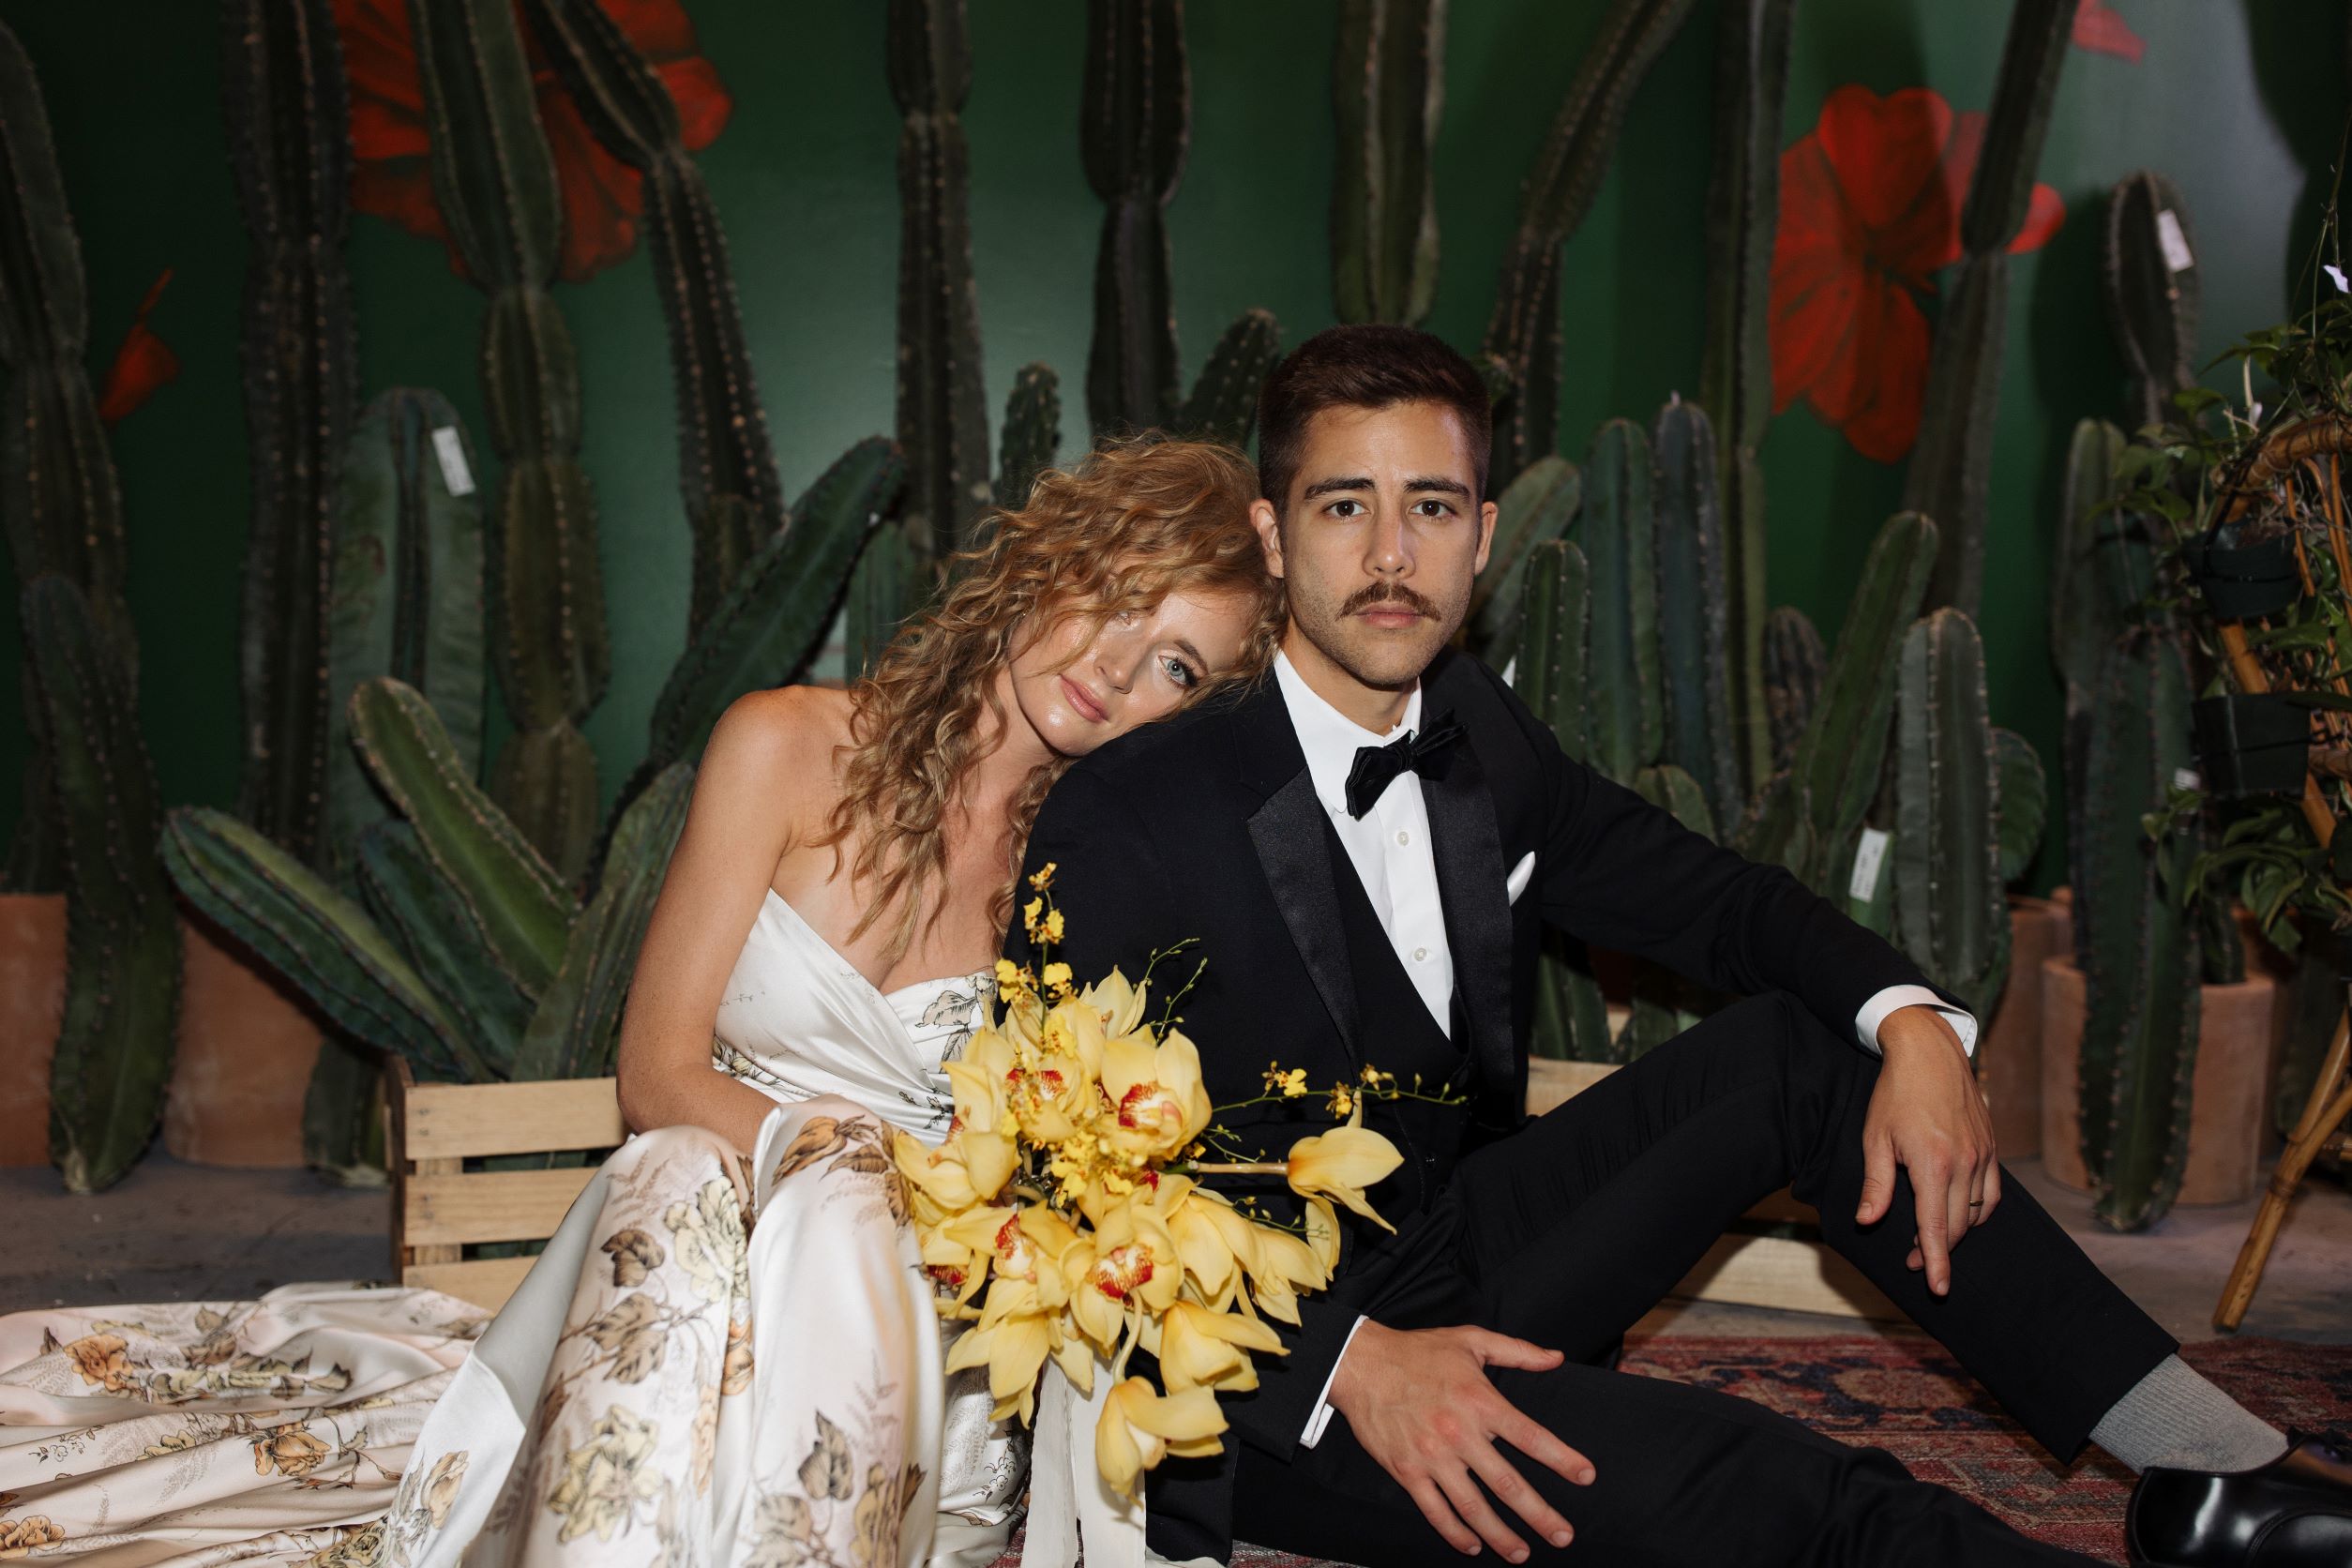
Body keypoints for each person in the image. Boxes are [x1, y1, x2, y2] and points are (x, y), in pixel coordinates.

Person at [1011, 324, 2352, 1568]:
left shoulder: (1476, 732)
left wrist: (1913, 1025)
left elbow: (1721, 904)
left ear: (1483, 537)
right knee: (1777, 1487)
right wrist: (1355, 1368)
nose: (1387, 555)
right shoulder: (1132, 812)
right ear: (1273, 532)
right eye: (1341, 505)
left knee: (1792, 1053)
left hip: (1449, 1249)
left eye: (1428, 508)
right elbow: (1060, 1192)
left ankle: (2220, 1474)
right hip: (1254, 1394)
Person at [0, 435, 1286, 1568]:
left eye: (1176, 667)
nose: (1115, 670)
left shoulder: (1097, 886)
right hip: (692, 1260)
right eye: (1113, 600)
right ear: (1047, 563)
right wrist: (856, 1171)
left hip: (915, 1340)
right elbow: (655, 1070)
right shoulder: (785, 745)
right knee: (673, 1174)